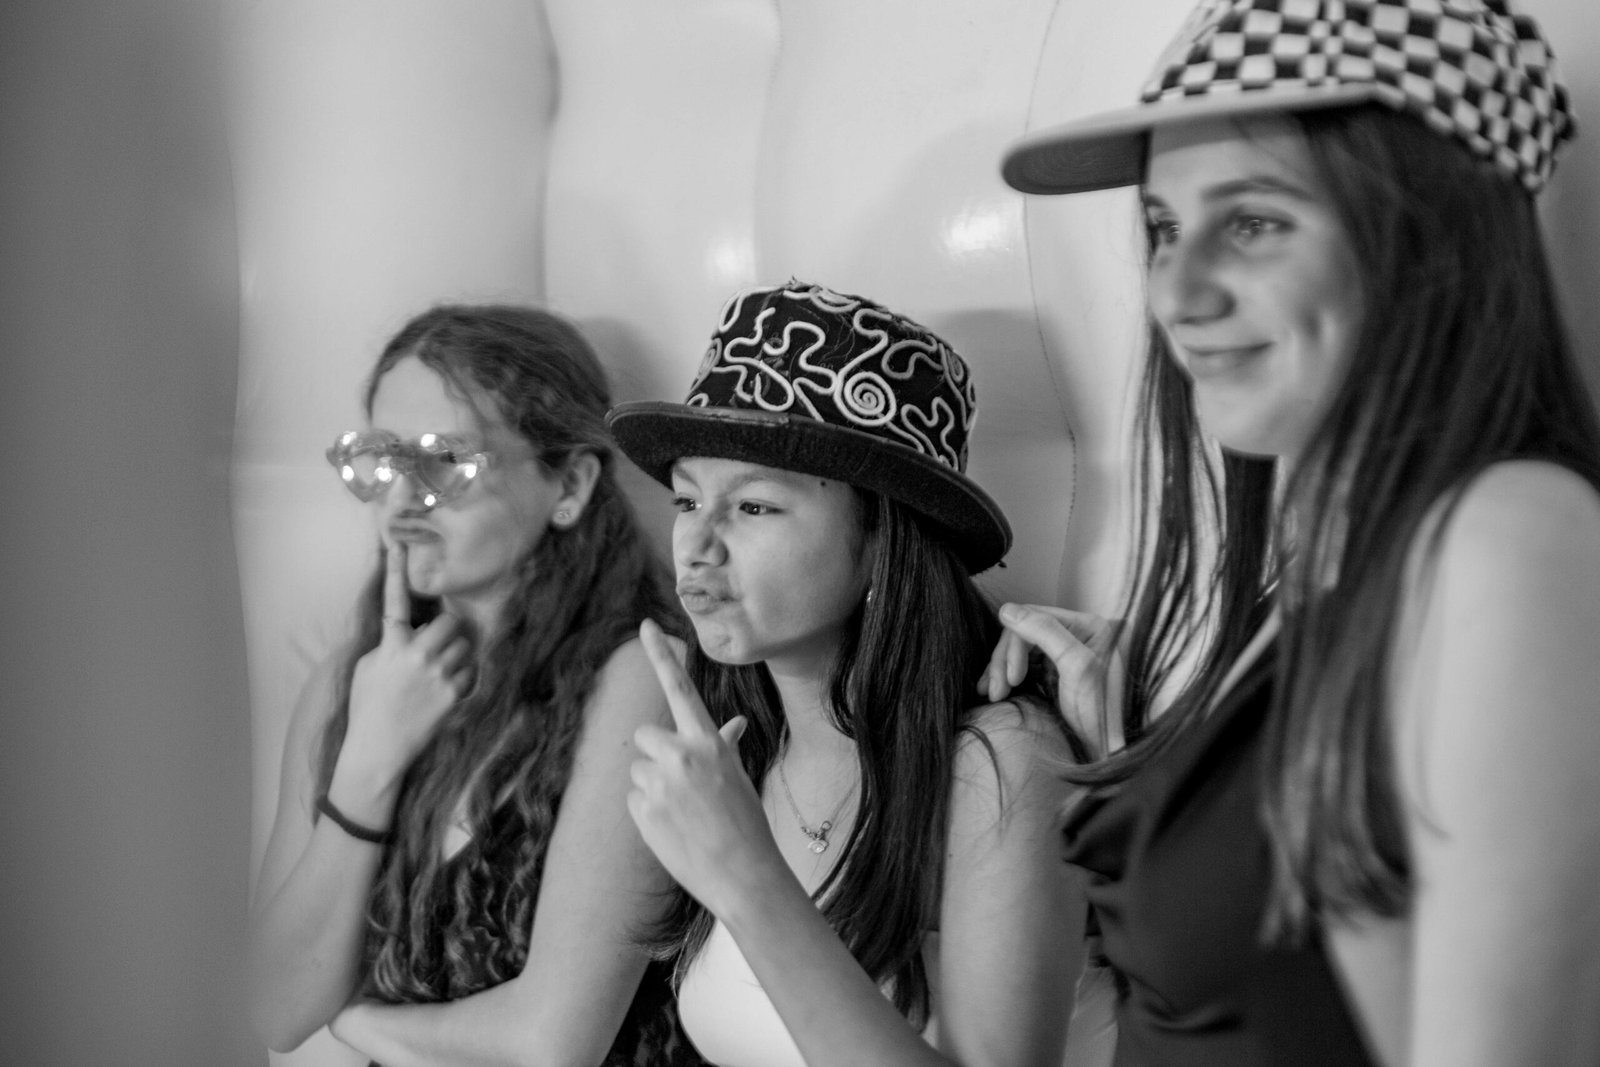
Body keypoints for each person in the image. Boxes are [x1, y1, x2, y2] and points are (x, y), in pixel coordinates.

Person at [987, 0, 1600, 1064]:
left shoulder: (1506, 540)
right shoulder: (1333, 560)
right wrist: (1151, 753)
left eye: (1253, 222)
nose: (1175, 292)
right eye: (1164, 228)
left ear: (1431, 234)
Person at [605, 280, 1089, 1067]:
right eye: (688, 502)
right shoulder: (738, 746)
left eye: (754, 507)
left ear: (880, 544)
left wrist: (747, 878)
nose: (697, 545)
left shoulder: (1001, 759)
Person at [247, 304, 698, 1066]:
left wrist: (360, 1023)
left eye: (445, 461)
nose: (401, 501)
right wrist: (368, 764)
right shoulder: (349, 684)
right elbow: (271, 1007)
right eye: (383, 459)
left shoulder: (639, 676)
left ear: (570, 484)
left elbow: (551, 1042)